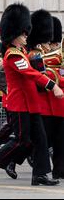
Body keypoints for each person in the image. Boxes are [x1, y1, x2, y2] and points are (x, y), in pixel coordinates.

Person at [0, 3, 62, 186]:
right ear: (14, 34)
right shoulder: (13, 55)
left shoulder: (23, 53)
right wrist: (53, 85)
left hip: (32, 104)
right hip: (20, 105)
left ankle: (40, 174)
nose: (27, 35)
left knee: (41, 140)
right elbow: (30, 74)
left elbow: (36, 71)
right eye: (23, 33)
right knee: (21, 141)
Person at [44, 16, 64, 179]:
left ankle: (59, 170)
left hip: (59, 106)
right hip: (48, 106)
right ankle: (13, 160)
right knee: (43, 141)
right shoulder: (44, 60)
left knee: (60, 141)